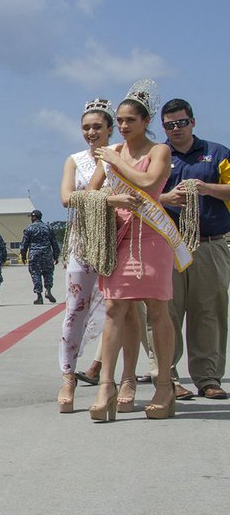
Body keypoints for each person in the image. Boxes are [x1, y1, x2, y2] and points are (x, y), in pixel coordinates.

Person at [88, 80, 186, 421]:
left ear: (146, 122)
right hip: (122, 235)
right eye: (121, 120)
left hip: (154, 237)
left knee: (158, 309)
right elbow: (89, 193)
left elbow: (148, 183)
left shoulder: (159, 151)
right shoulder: (111, 153)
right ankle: (108, 385)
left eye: (131, 120)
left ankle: (163, 384)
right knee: (115, 307)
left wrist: (116, 162)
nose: (125, 126)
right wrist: (111, 199)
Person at [158, 98, 230, 400]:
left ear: (193, 122)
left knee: (209, 311)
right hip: (169, 246)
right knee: (166, 313)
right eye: (170, 125)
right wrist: (167, 197)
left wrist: (206, 187)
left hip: (210, 244)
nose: (176, 129)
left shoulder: (217, 154)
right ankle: (168, 376)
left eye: (181, 122)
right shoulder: (157, 156)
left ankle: (208, 377)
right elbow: (140, 194)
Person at [56, 98, 117, 412]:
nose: (91, 132)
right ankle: (68, 376)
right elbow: (66, 198)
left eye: (97, 126)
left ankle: (109, 376)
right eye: (86, 127)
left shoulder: (121, 155)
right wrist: (108, 198)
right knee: (75, 309)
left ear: (110, 128)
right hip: (83, 242)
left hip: (117, 241)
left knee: (119, 311)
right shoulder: (75, 160)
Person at [20, 209, 60, 304]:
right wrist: (56, 256)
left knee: (35, 274)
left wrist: (23, 256)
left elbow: (24, 244)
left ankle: (39, 296)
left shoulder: (29, 228)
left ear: (34, 217)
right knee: (48, 273)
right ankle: (48, 290)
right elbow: (54, 243)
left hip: (34, 255)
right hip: (47, 254)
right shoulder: (48, 227)